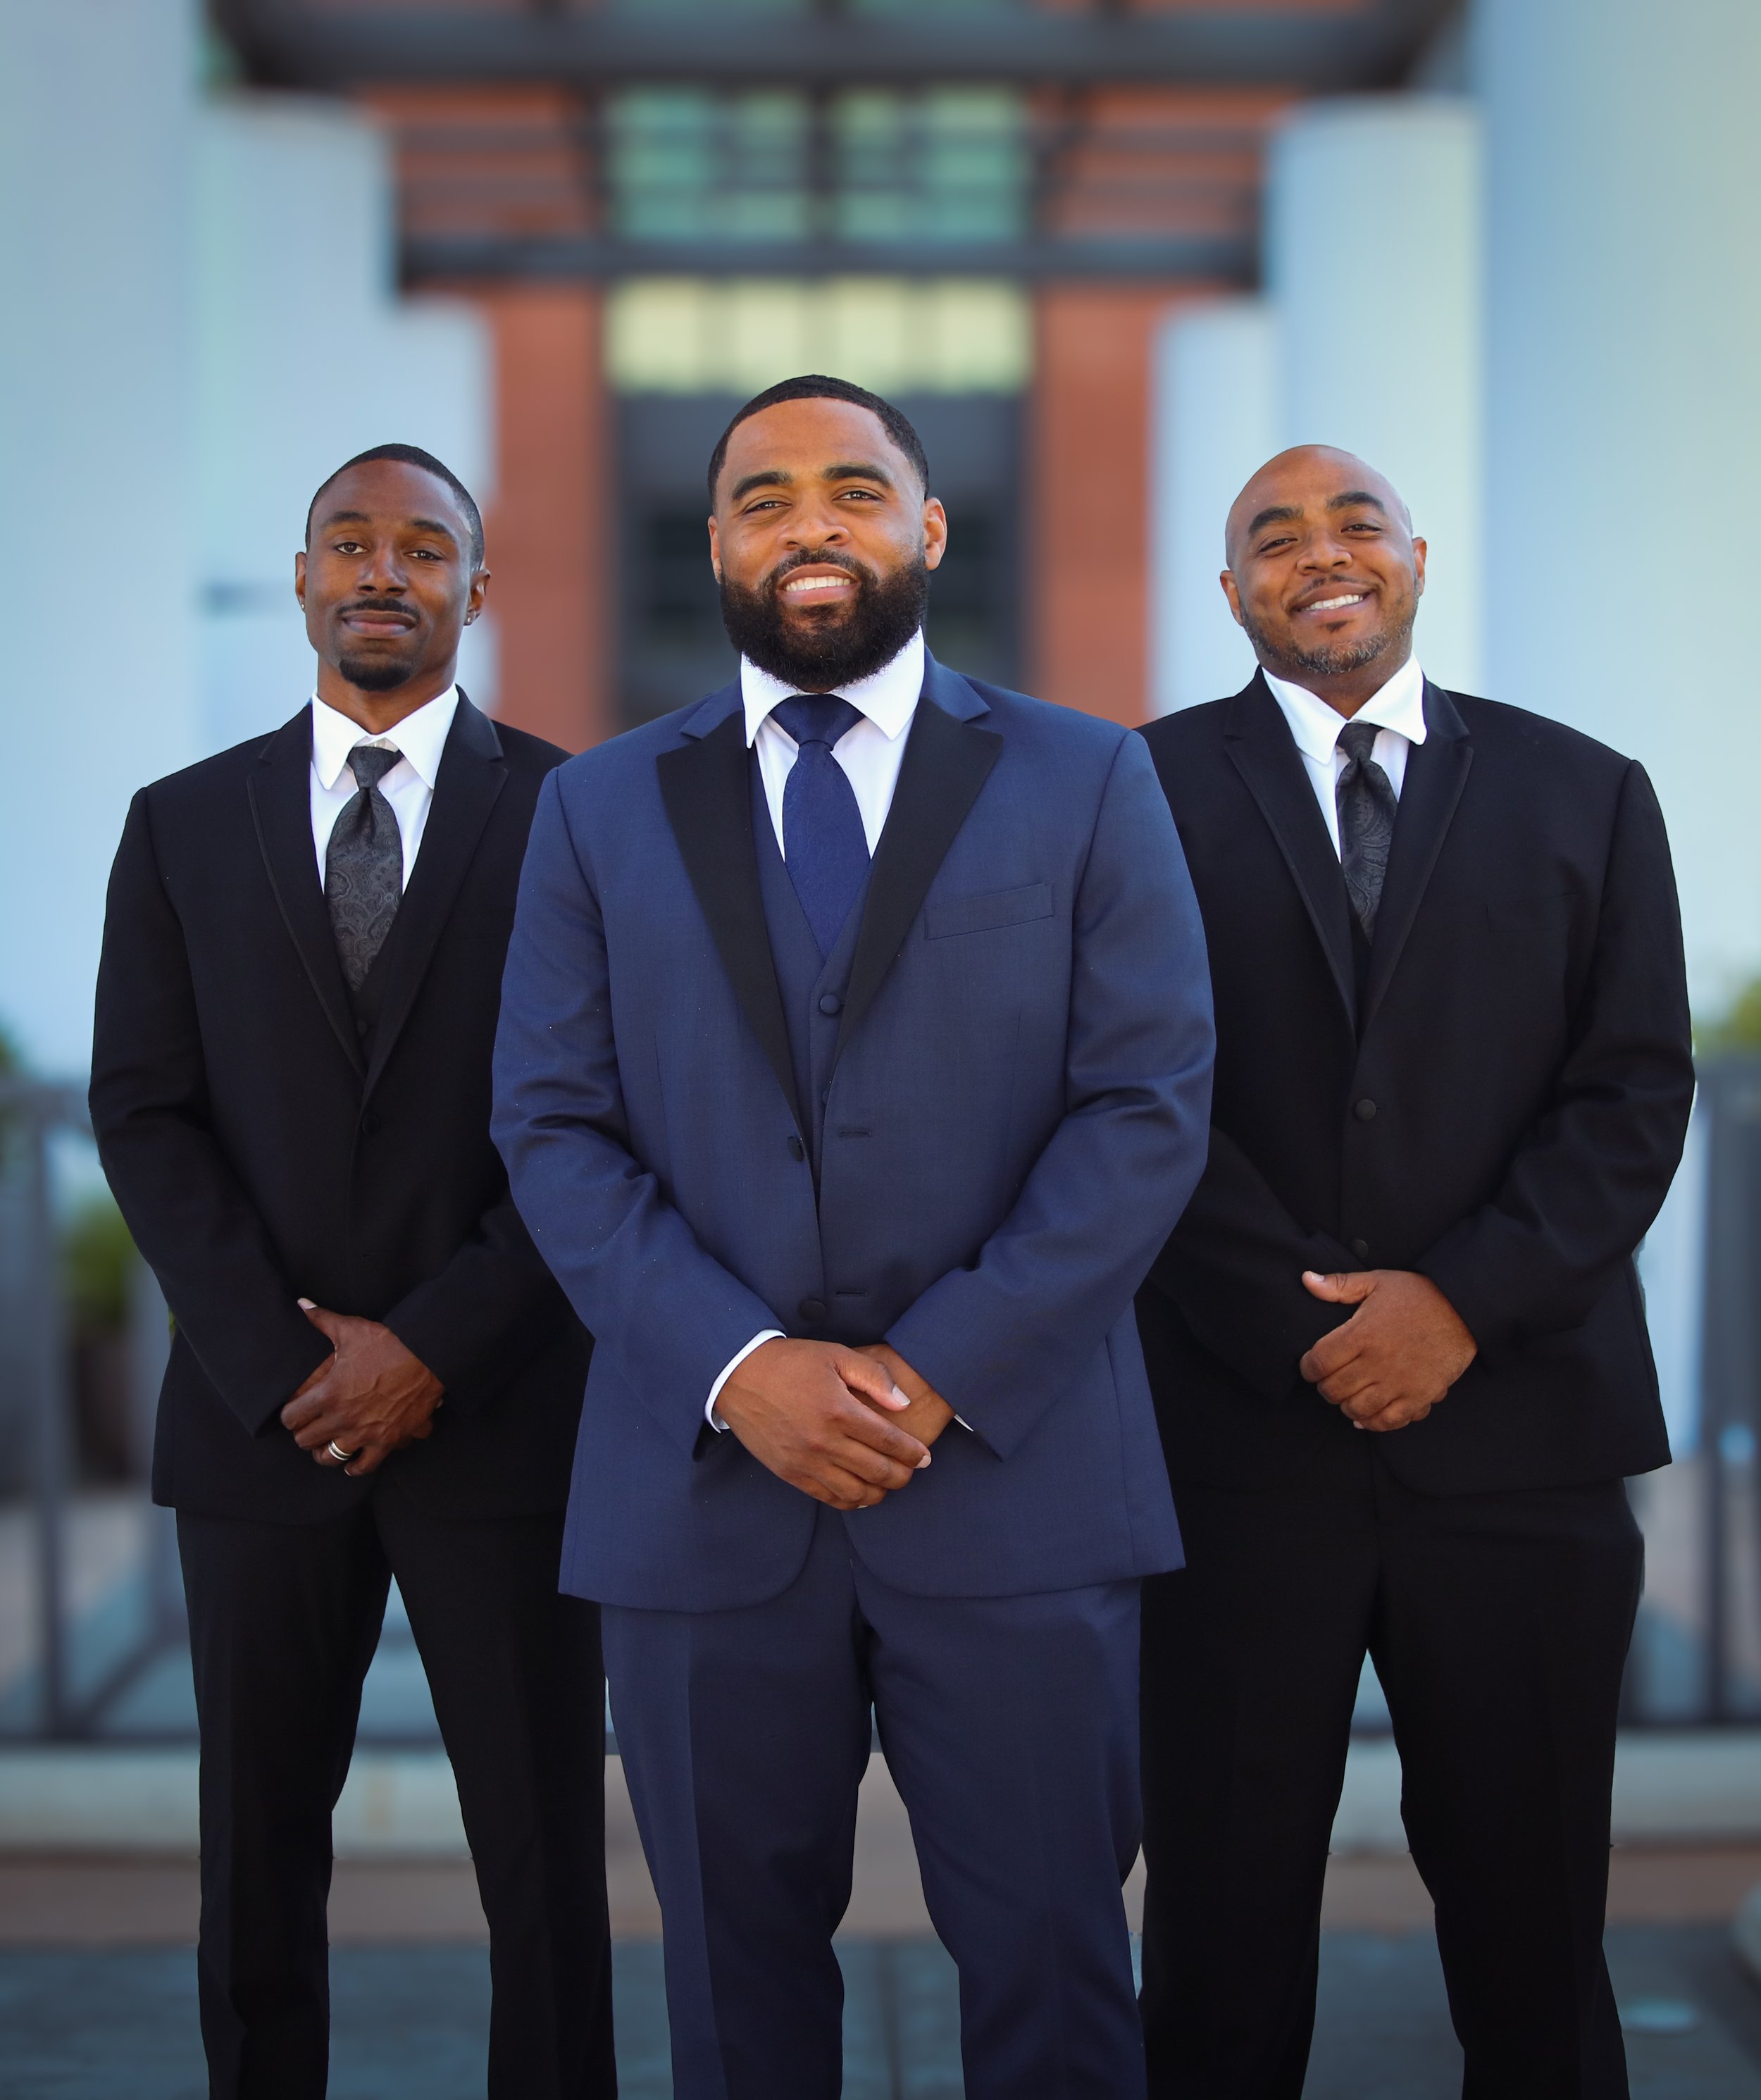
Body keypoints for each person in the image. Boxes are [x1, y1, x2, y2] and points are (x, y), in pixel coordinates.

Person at [492, 375, 1214, 2099]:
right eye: (762, 497)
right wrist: (741, 1369)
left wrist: (934, 1368)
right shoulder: (594, 807)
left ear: (928, 528)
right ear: (714, 541)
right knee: (732, 2008)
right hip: (700, 1498)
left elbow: (1143, 1106)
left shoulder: (1087, 776)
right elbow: (551, 1124)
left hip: (1018, 1483)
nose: (808, 524)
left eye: (853, 489)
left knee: (1056, 1982)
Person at [1135, 445, 1695, 2099]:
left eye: (1354, 522)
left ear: (1416, 556)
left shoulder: (1584, 789)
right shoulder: (1130, 793)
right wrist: (1298, 1326)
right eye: (1273, 535)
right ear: (1227, 589)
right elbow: (1118, 1091)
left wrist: (1455, 1305)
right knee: (1218, 1948)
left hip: (1520, 1446)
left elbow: (1629, 1090)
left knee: (1534, 1943)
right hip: (1233, 1454)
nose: (1320, 553)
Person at [89, 445, 615, 2100]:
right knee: (254, 1854)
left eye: (425, 547)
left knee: (543, 1858)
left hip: (504, 1421)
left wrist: (435, 1345)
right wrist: (284, 1361)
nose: (385, 571)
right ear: (305, 577)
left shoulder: (576, 817)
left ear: (478, 588)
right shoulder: (181, 824)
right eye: (351, 542)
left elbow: (607, 1117)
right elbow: (144, 1111)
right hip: (263, 1428)